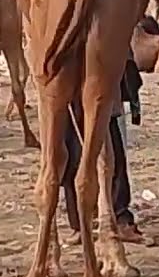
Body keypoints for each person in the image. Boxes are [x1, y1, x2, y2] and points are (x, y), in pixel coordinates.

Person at [60, 50, 144, 242]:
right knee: (72, 148)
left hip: (101, 71)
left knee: (111, 144)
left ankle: (120, 217)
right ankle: (79, 223)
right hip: (67, 73)